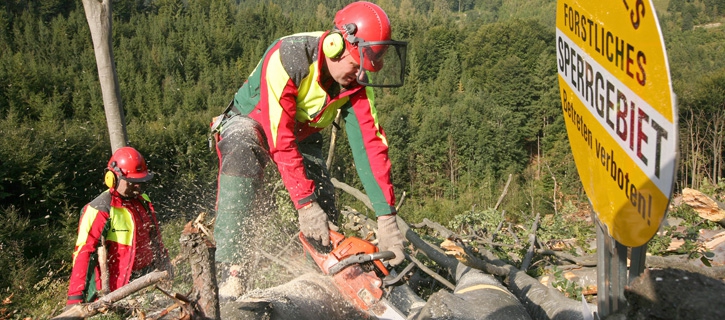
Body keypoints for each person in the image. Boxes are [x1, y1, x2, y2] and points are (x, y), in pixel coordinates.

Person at [211, 1, 409, 298]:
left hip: (301, 133)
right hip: (255, 121)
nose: (358, 75)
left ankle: (314, 279)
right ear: (335, 46)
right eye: (356, 66)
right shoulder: (289, 58)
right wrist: (304, 204)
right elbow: (280, 139)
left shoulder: (356, 84)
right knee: (242, 147)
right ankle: (231, 270)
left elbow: (371, 145)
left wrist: (387, 217)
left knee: (323, 198)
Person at [66, 146, 171, 306]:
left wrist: (165, 265)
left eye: (140, 181)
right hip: (114, 291)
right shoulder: (100, 208)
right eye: (132, 182)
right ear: (112, 178)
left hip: (147, 281)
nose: (138, 186)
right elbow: (84, 253)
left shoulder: (143, 201)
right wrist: (75, 298)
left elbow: (154, 238)